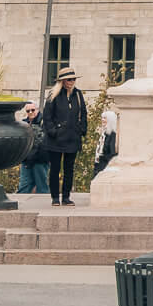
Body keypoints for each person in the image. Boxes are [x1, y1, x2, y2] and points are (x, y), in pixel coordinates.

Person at [41, 68, 87, 207]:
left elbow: (83, 114)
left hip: (72, 137)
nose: (72, 82)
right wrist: (53, 132)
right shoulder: (53, 95)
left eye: (74, 79)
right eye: (69, 79)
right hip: (56, 139)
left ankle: (66, 197)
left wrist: (82, 130)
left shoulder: (78, 94)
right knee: (55, 169)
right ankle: (55, 197)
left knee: (69, 169)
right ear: (62, 81)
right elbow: (47, 117)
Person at [16, 102, 49, 196]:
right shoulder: (23, 124)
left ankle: (43, 209)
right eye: (28, 111)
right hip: (26, 160)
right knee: (23, 187)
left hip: (40, 160)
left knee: (42, 187)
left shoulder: (45, 122)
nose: (31, 112)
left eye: (33, 110)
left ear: (37, 110)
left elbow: (43, 142)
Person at [93, 110, 118, 178]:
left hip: (106, 167)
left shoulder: (113, 135)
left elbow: (112, 152)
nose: (102, 120)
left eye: (104, 118)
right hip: (98, 166)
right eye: (102, 118)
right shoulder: (104, 133)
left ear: (110, 120)